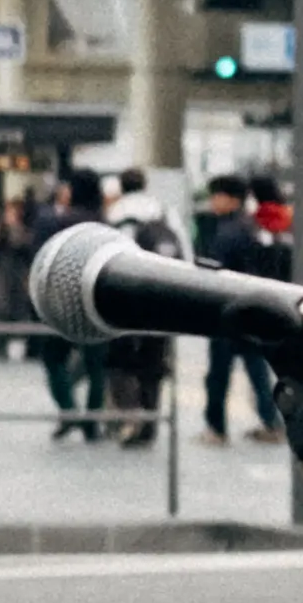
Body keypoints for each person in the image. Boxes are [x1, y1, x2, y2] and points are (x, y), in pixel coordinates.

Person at [198, 175, 282, 446]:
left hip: (226, 311)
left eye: (216, 196)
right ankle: (271, 422)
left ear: (231, 199)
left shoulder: (227, 232)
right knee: (257, 370)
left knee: (218, 374)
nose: (213, 202)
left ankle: (216, 427)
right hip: (254, 309)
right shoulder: (253, 228)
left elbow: (214, 271)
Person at [103, 168, 182, 446]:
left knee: (120, 359)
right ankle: (151, 419)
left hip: (125, 297)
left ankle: (129, 418)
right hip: (162, 297)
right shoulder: (162, 210)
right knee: (154, 361)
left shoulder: (116, 213)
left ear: (121, 186)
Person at [35, 168, 110, 440]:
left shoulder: (59, 223)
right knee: (96, 367)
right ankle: (92, 421)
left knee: (53, 359)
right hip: (98, 303)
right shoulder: (104, 224)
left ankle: (68, 410)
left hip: (62, 302)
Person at [0, 201, 33, 358]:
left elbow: (25, 248)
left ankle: (11, 341)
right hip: (0, 273)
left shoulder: (23, 230)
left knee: (15, 308)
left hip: (16, 274)